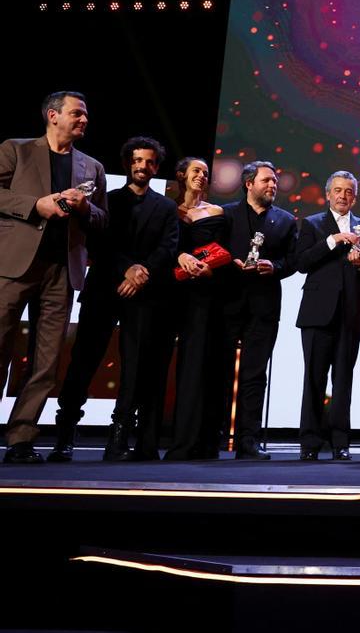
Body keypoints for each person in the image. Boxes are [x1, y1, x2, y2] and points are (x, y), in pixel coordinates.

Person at [52, 137, 178, 462]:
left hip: (143, 294)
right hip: (104, 289)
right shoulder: (108, 199)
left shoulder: (166, 207)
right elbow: (99, 243)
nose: (142, 166)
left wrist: (142, 272)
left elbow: (168, 247)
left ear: (156, 166)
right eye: (137, 160)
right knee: (84, 360)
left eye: (149, 162)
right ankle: (64, 434)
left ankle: (118, 437)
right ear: (127, 163)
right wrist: (129, 269)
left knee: (134, 367)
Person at [1, 91, 107, 464]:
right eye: (77, 113)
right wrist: (36, 205)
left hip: (63, 270)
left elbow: (102, 220)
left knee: (46, 362)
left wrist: (86, 208)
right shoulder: (15, 150)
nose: (84, 120)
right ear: (52, 115)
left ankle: (21, 440)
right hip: (14, 266)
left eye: (85, 115)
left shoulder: (91, 167)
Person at [293, 170, 360, 461]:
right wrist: (332, 241)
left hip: (351, 314)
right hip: (317, 315)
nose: (343, 195)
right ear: (328, 194)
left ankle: (340, 443)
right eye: (338, 190)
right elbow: (301, 263)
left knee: (344, 379)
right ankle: (309, 443)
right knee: (314, 379)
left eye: (348, 191)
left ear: (355, 196)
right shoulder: (312, 224)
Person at [217, 160, 297, 460]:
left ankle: (247, 441)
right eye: (266, 181)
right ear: (249, 183)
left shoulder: (286, 221)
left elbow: (293, 261)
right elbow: (211, 250)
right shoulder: (225, 214)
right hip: (228, 301)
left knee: (255, 374)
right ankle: (214, 432)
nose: (272, 185)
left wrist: (274, 266)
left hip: (264, 305)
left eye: (275, 181)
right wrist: (228, 262)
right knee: (220, 370)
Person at [163, 157, 227, 461]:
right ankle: (147, 438)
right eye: (195, 171)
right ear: (181, 176)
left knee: (197, 366)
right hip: (166, 292)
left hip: (202, 295)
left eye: (205, 172)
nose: (201, 176)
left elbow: (224, 251)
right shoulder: (165, 208)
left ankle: (193, 442)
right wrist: (179, 258)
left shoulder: (216, 212)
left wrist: (209, 268)